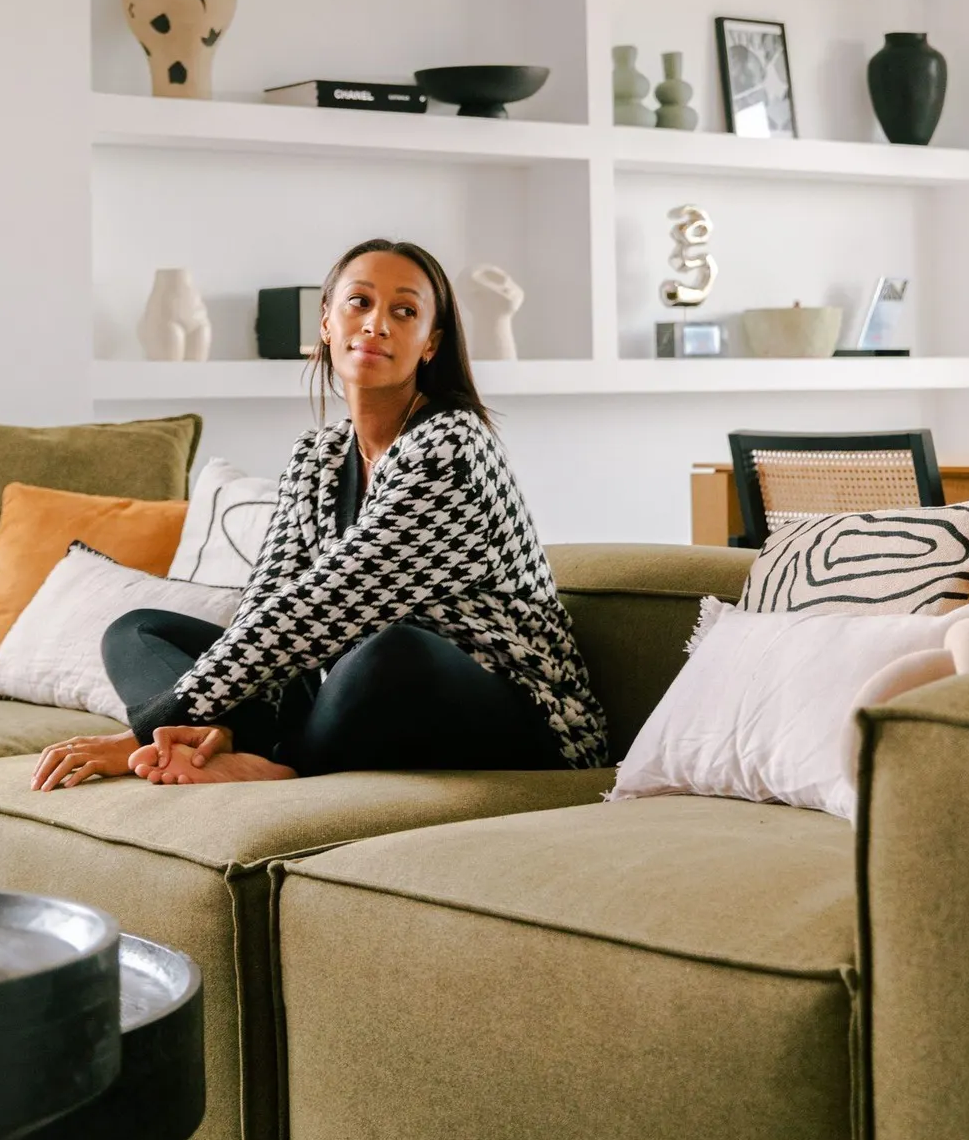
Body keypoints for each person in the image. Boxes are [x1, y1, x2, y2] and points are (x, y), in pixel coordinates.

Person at [31, 239, 607, 791]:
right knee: (137, 631)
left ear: (430, 343)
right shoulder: (319, 456)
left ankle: (282, 763)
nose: (376, 323)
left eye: (404, 312)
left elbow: (326, 603)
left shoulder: (453, 447)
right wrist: (218, 713)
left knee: (388, 652)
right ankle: (231, 746)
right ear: (327, 323)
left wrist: (139, 729)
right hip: (350, 694)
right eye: (359, 302)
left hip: (512, 715)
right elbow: (270, 602)